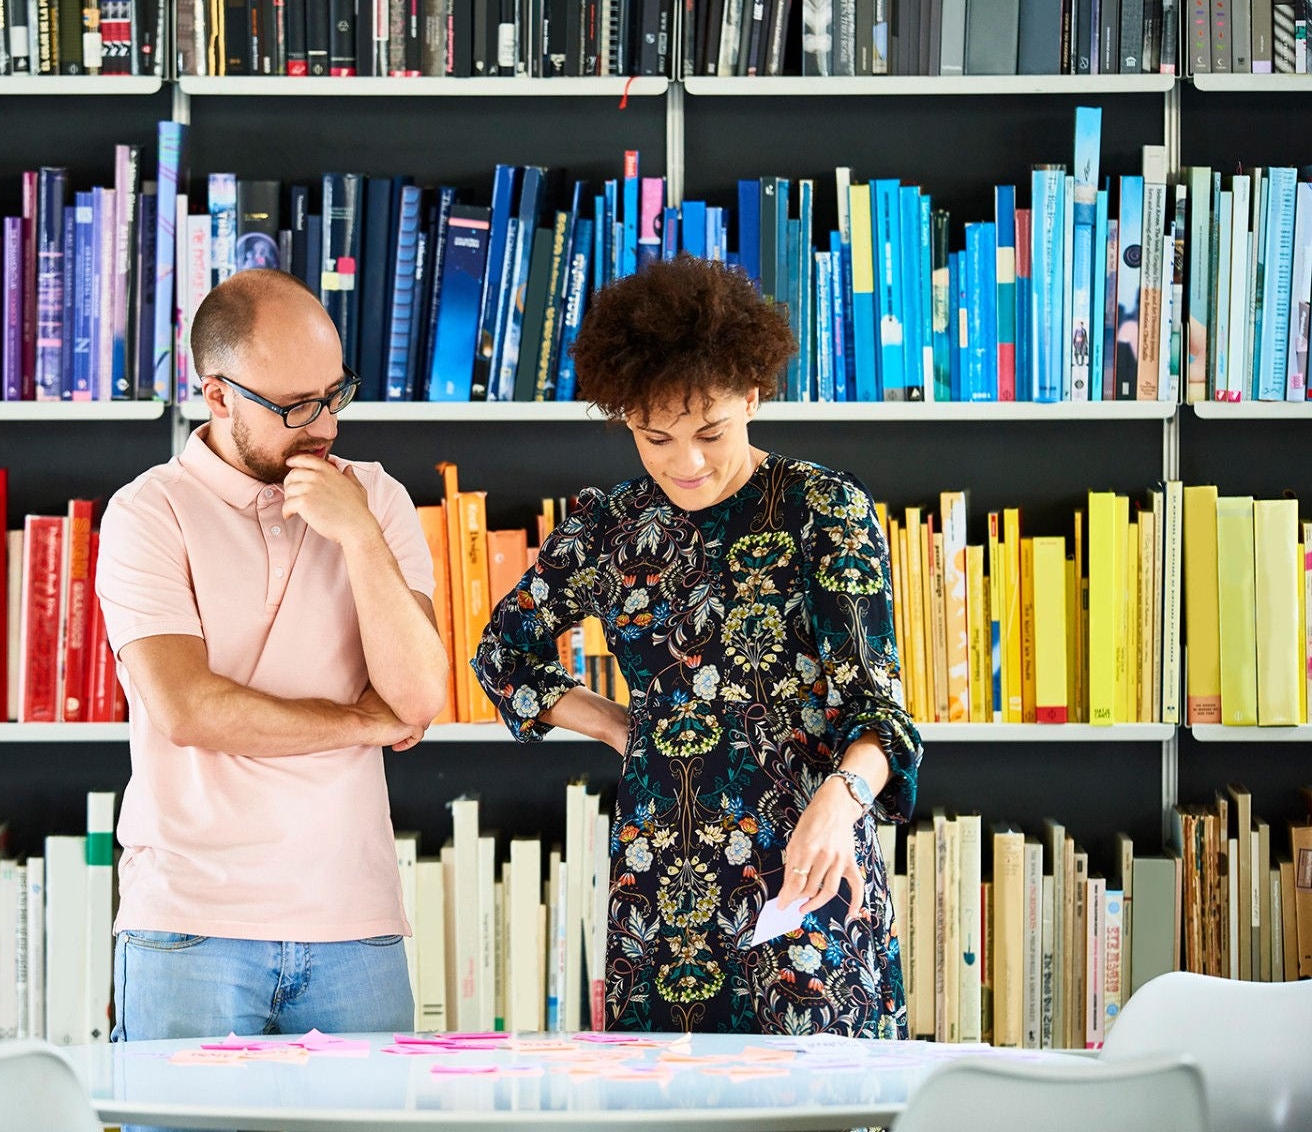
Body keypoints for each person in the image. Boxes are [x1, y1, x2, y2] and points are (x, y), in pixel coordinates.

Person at [472, 256, 923, 1038]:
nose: (687, 462)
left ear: (752, 394)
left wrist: (841, 801)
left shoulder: (821, 509)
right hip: (661, 894)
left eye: (710, 431)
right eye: (656, 437)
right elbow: (502, 655)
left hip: (805, 872)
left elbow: (880, 710)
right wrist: (620, 727)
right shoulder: (610, 528)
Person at [96, 268, 451, 1055]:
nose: (323, 425)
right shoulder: (147, 513)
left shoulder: (376, 499)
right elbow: (190, 710)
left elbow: (421, 696)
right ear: (217, 395)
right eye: (293, 407)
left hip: (354, 924)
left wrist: (356, 534)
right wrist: (360, 719)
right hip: (188, 926)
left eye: (334, 395)